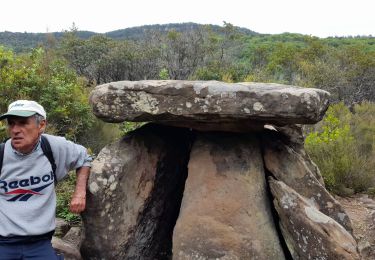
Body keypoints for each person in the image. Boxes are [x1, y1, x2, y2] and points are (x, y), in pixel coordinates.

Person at [0, 100, 91, 259]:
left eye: (23, 123)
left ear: (41, 125)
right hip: (4, 243)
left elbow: (84, 157)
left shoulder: (53, 147)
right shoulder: (1, 154)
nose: (15, 130)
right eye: (11, 123)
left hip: (40, 243)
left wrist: (79, 193)